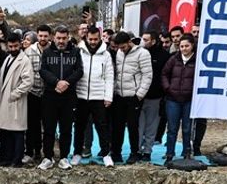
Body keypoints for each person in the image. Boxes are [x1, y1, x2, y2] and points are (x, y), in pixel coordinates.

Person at [37, 26, 82, 170]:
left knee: (66, 129)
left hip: (68, 96)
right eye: (58, 38)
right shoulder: (47, 52)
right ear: (53, 38)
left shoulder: (75, 52)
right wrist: (56, 82)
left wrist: (66, 83)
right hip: (50, 94)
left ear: (68, 37)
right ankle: (48, 157)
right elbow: (43, 70)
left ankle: (63, 157)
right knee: (49, 128)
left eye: (64, 38)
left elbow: (79, 71)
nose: (61, 41)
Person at [74, 26, 114, 167]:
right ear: (86, 37)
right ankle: (77, 153)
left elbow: (109, 76)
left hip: (99, 96)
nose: (92, 42)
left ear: (100, 38)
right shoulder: (78, 51)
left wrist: (108, 96)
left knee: (102, 127)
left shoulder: (106, 54)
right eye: (90, 39)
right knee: (79, 127)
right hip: (81, 96)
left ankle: (105, 154)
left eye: (95, 39)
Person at [110, 31, 152, 164]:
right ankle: (116, 152)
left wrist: (139, 95)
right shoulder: (119, 53)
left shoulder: (143, 53)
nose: (121, 50)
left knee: (133, 126)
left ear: (129, 42)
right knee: (118, 126)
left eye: (123, 47)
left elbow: (147, 76)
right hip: (119, 95)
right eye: (119, 47)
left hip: (134, 96)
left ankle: (135, 152)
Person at [0, 32, 32, 167]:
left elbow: (28, 82)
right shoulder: (8, 58)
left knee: (17, 132)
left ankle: (17, 160)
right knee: (5, 132)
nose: (13, 49)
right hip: (6, 101)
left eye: (15, 46)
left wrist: (15, 94)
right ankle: (6, 158)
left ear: (20, 44)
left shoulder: (24, 60)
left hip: (16, 101)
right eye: (11, 46)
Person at [161, 34, 197, 163]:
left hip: (189, 99)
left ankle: (187, 153)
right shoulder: (174, 59)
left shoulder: (197, 60)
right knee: (172, 128)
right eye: (181, 46)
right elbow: (164, 73)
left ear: (192, 45)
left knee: (187, 128)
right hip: (173, 98)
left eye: (187, 46)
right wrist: (168, 88)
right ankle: (169, 154)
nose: (184, 49)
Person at [22, 25, 51, 163]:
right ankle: (30, 151)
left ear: (49, 36)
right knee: (31, 125)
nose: (43, 38)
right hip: (32, 92)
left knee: (47, 125)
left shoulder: (53, 50)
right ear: (37, 36)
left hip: (48, 93)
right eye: (41, 36)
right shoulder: (29, 51)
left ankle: (45, 153)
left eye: (45, 36)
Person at [138, 30, 168, 162]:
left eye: (146, 40)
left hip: (155, 97)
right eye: (142, 39)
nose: (143, 42)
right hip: (139, 97)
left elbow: (165, 76)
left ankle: (147, 151)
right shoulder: (138, 54)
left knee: (151, 126)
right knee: (139, 126)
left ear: (153, 41)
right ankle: (137, 150)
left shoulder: (164, 56)